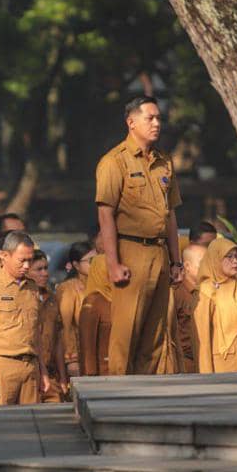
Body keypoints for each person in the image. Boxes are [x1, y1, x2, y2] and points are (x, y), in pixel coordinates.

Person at [94, 96, 183, 375]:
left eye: (159, 118)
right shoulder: (114, 161)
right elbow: (105, 214)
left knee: (156, 334)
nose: (157, 124)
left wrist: (176, 261)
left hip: (160, 252)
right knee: (126, 334)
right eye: (150, 118)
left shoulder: (164, 161)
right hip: (130, 251)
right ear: (131, 122)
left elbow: (170, 214)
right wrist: (113, 263)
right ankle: (119, 394)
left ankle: (148, 394)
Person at [0, 231, 46, 404]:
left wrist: (43, 371)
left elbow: (35, 333)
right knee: (1, 419)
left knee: (31, 419)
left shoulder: (32, 288)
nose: (27, 266)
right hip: (2, 367)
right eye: (22, 260)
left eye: (30, 260)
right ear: (4, 255)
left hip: (30, 366)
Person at [194, 238, 237, 373]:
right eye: (229, 257)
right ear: (216, 259)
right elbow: (202, 340)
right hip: (222, 367)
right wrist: (206, 376)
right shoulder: (206, 291)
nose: (235, 261)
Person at [31, 250, 69, 403]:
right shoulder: (22, 299)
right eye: (39, 269)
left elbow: (57, 340)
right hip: (31, 375)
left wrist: (63, 377)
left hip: (52, 375)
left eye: (46, 268)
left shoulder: (53, 299)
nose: (45, 274)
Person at [57, 242, 94, 379]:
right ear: (76, 265)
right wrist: (71, 359)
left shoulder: (100, 284)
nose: (95, 264)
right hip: (79, 355)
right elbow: (66, 327)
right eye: (91, 261)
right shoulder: (68, 288)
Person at [173, 243, 207, 373]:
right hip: (186, 363)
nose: (207, 267)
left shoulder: (208, 291)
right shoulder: (177, 294)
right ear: (187, 266)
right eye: (202, 262)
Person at [78, 255, 113, 376]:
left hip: (119, 370)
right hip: (101, 375)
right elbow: (87, 343)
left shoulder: (117, 299)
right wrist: (90, 375)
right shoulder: (93, 301)